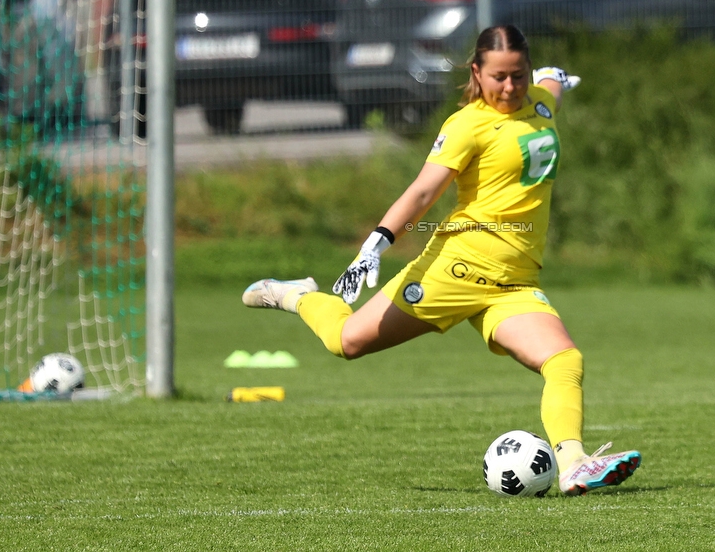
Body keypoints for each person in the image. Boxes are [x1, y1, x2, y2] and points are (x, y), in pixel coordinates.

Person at [242, 25, 640, 496]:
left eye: (519, 75)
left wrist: (556, 78)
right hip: (455, 270)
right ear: (476, 72)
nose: (509, 87)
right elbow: (424, 191)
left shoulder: (539, 101)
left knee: (564, 360)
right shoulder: (466, 125)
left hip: (513, 284)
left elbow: (551, 85)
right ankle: (297, 296)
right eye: (498, 78)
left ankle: (574, 463)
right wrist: (375, 245)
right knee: (346, 342)